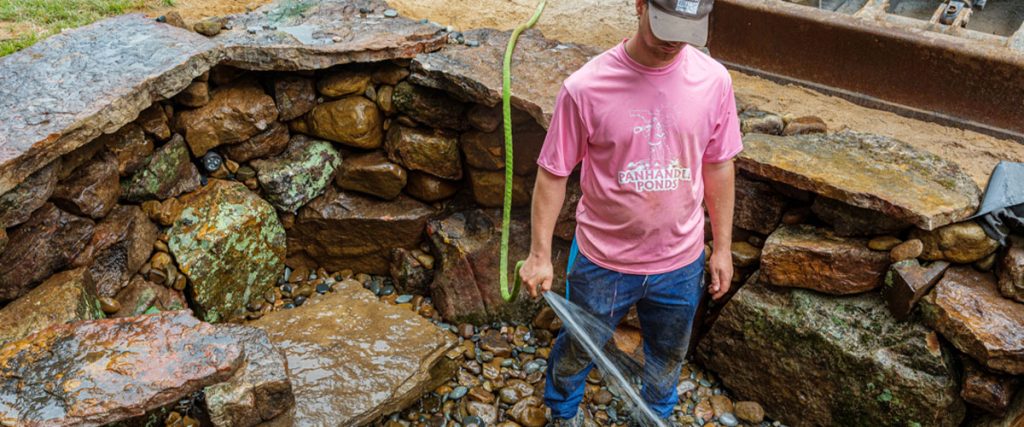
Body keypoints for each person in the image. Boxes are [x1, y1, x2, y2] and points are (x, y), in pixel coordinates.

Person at [516, 0, 742, 425]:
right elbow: (552, 174)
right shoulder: (586, 87)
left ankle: (655, 415)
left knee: (670, 351)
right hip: (603, 263)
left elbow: (718, 165)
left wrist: (723, 249)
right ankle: (562, 411)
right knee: (581, 344)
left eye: (686, 31)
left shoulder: (714, 81)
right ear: (640, 6)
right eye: (665, 27)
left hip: (681, 262)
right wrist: (540, 254)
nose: (674, 41)